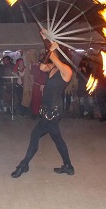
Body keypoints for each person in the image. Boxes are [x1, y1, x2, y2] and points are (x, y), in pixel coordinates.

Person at [11, 30, 74, 178]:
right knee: (57, 139)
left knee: (35, 135)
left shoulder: (66, 71)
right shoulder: (52, 67)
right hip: (47, 109)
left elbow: (52, 55)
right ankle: (68, 166)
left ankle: (24, 165)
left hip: (55, 110)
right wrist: (45, 38)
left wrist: (49, 44)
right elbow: (41, 66)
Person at [30, 53, 47, 119]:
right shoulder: (36, 66)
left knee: (43, 100)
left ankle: (42, 113)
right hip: (36, 86)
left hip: (45, 86)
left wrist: (45, 84)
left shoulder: (47, 66)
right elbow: (31, 74)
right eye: (41, 57)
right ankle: (35, 113)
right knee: (35, 100)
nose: (42, 59)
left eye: (43, 57)